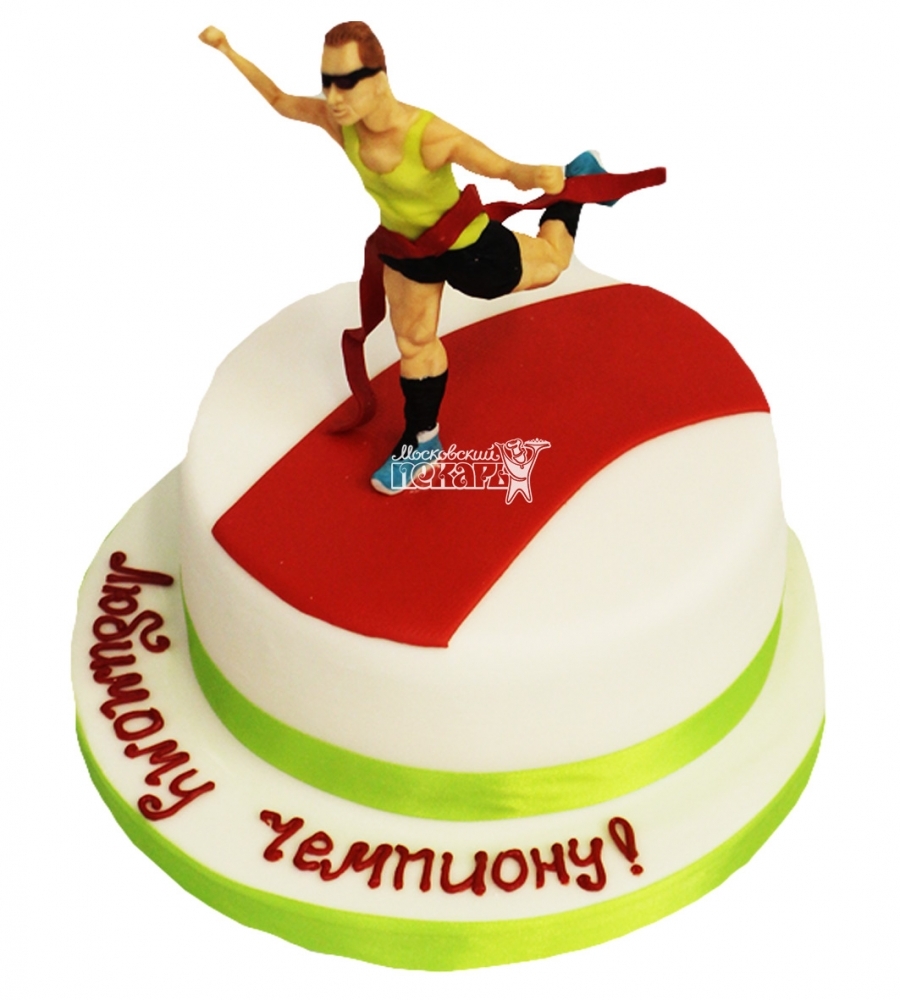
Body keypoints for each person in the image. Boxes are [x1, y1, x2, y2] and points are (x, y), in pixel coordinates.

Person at [199, 21, 606, 494]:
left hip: (467, 248)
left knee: (553, 263)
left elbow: (503, 168)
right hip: (407, 252)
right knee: (414, 344)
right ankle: (422, 441)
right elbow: (280, 100)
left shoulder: (428, 135)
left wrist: (536, 174)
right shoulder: (340, 124)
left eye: (347, 82)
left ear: (380, 79)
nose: (334, 96)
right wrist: (227, 50)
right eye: (328, 81)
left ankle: (578, 187)